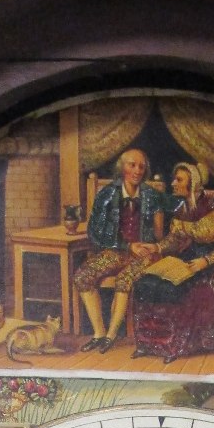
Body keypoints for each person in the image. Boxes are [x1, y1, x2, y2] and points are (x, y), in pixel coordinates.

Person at [131, 161, 214, 364]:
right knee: (146, 283)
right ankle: (148, 343)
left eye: (179, 179)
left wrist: (205, 261)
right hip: (190, 256)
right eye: (175, 178)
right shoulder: (182, 208)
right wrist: (156, 248)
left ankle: (174, 345)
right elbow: (174, 239)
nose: (174, 183)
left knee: (177, 289)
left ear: (193, 183)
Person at [74, 148, 169, 352]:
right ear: (122, 167)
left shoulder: (152, 196)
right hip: (118, 250)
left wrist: (151, 247)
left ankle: (111, 335)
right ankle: (99, 333)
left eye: (141, 166)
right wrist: (126, 245)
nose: (137, 170)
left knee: (124, 279)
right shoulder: (107, 194)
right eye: (131, 165)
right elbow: (94, 232)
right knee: (82, 276)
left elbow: (160, 235)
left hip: (146, 254)